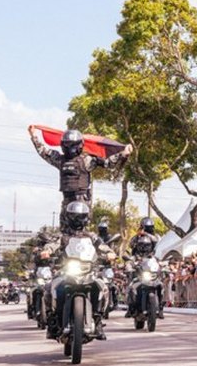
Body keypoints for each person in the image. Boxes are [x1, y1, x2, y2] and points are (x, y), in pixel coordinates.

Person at [28, 126, 132, 234]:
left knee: (81, 231)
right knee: (64, 233)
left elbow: (107, 163)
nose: (70, 148)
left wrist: (123, 153)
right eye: (68, 145)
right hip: (67, 200)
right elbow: (44, 151)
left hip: (82, 201)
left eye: (72, 145)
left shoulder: (84, 160)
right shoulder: (62, 159)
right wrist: (34, 135)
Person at [42, 201, 116, 340]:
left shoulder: (91, 236)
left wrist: (110, 252)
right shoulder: (62, 236)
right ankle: (52, 323)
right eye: (75, 216)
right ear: (68, 217)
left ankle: (98, 321)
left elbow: (102, 245)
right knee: (49, 288)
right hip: (67, 270)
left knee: (103, 288)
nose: (78, 219)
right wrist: (47, 250)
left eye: (81, 216)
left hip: (88, 271)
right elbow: (53, 244)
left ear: (86, 218)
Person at [125, 217, 163, 318]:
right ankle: (130, 307)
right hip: (138, 261)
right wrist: (129, 266)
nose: (148, 229)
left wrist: (162, 266)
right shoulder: (137, 237)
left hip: (150, 261)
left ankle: (161, 308)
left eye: (150, 227)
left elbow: (157, 242)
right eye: (146, 227)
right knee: (131, 283)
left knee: (160, 284)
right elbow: (130, 244)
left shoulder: (154, 237)